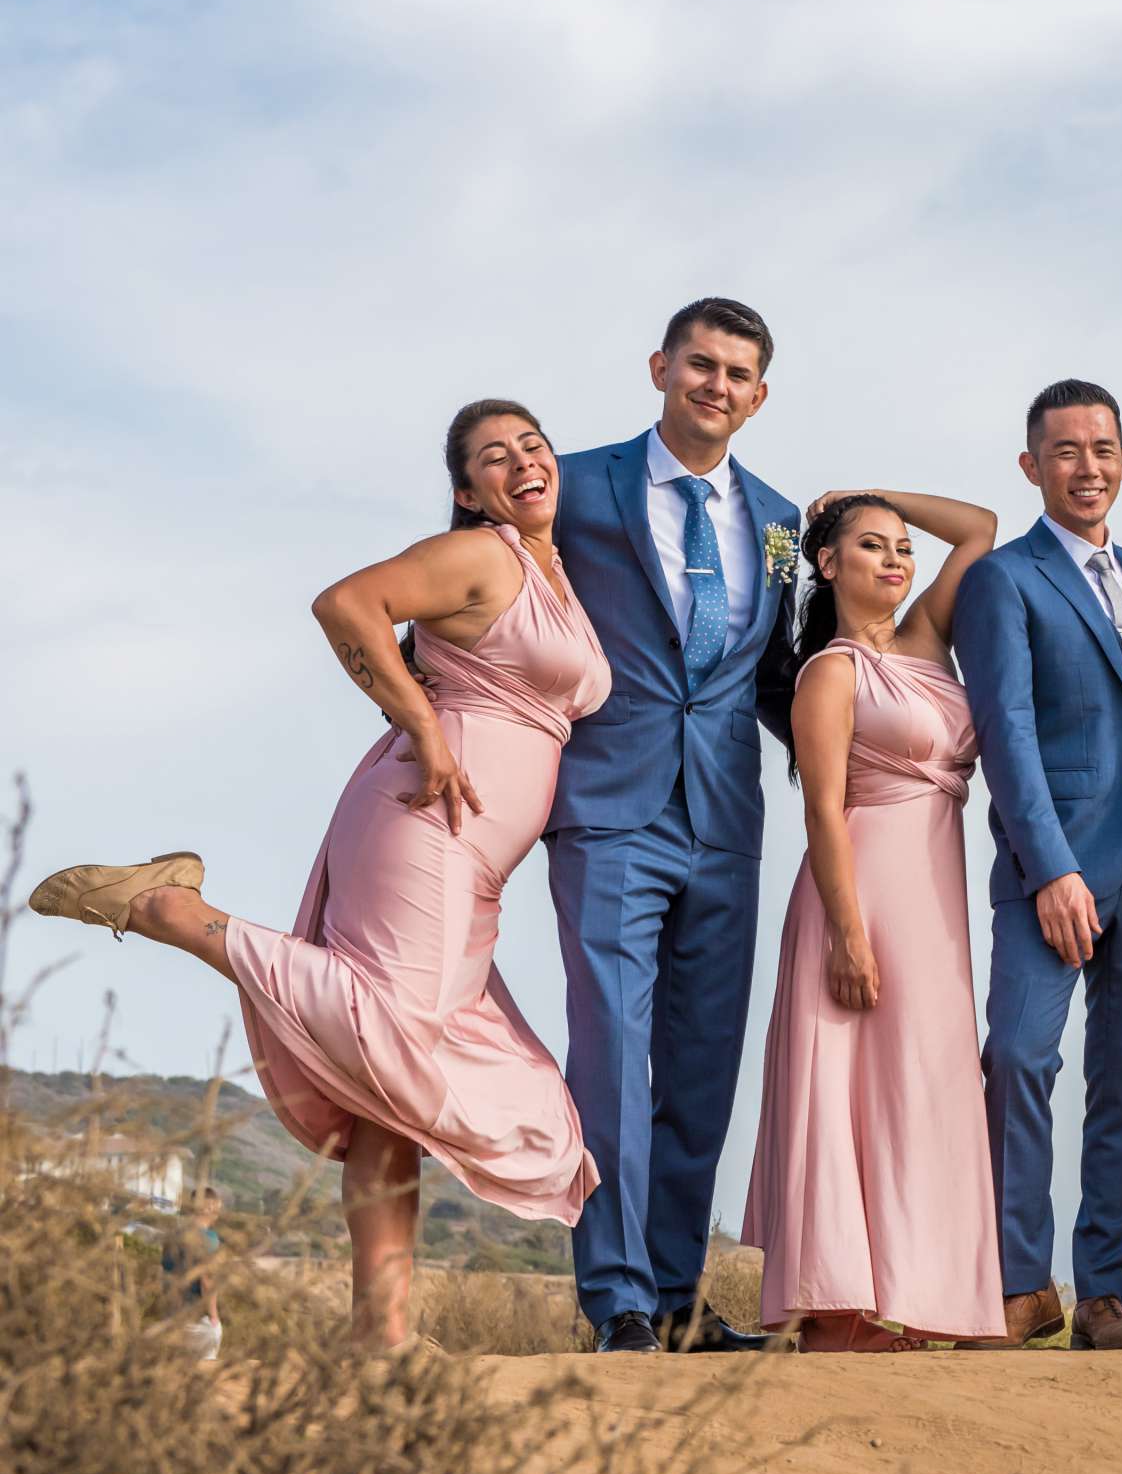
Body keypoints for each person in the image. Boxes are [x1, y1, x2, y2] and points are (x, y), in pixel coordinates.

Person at [33, 399, 607, 1351]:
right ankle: (171, 909)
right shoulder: (485, 555)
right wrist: (424, 725)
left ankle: (378, 1332)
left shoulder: (560, 578)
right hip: (423, 824)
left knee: (392, 1092)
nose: (522, 463)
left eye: (533, 446)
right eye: (493, 458)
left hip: (474, 866)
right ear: (469, 492)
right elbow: (346, 604)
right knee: (390, 1031)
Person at [545, 298, 803, 1354]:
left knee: (701, 1066)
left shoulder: (782, 520)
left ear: (760, 395)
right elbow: (483, 583)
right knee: (610, 1051)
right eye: (700, 364)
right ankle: (616, 1303)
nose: (717, 385)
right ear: (660, 366)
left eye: (738, 373)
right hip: (608, 808)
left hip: (727, 817)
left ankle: (679, 1296)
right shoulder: (576, 483)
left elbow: (778, 675)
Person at [952, 379, 1122, 1351]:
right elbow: (1006, 732)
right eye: (1065, 451)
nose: (1086, 466)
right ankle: (1022, 1285)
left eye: (1102, 448)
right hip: (1047, 868)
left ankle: (1104, 1294)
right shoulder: (1004, 580)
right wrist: (1051, 869)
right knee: (1018, 1055)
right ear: (1032, 467)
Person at [740, 487, 1004, 1351]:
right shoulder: (830, 671)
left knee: (924, 1089)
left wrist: (876, 488)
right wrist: (848, 935)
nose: (895, 559)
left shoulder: (928, 640)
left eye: (900, 548)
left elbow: (978, 530)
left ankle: (927, 1299)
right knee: (848, 1090)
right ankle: (839, 1309)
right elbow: (821, 810)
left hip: (933, 905)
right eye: (871, 546)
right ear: (827, 564)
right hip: (856, 896)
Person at [162, 1186, 226, 1361]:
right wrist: (214, 1317)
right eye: (217, 1209)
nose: (218, 1215)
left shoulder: (172, 1236)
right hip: (198, 1319)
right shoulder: (210, 1239)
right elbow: (207, 1280)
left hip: (172, 1317)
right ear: (208, 1207)